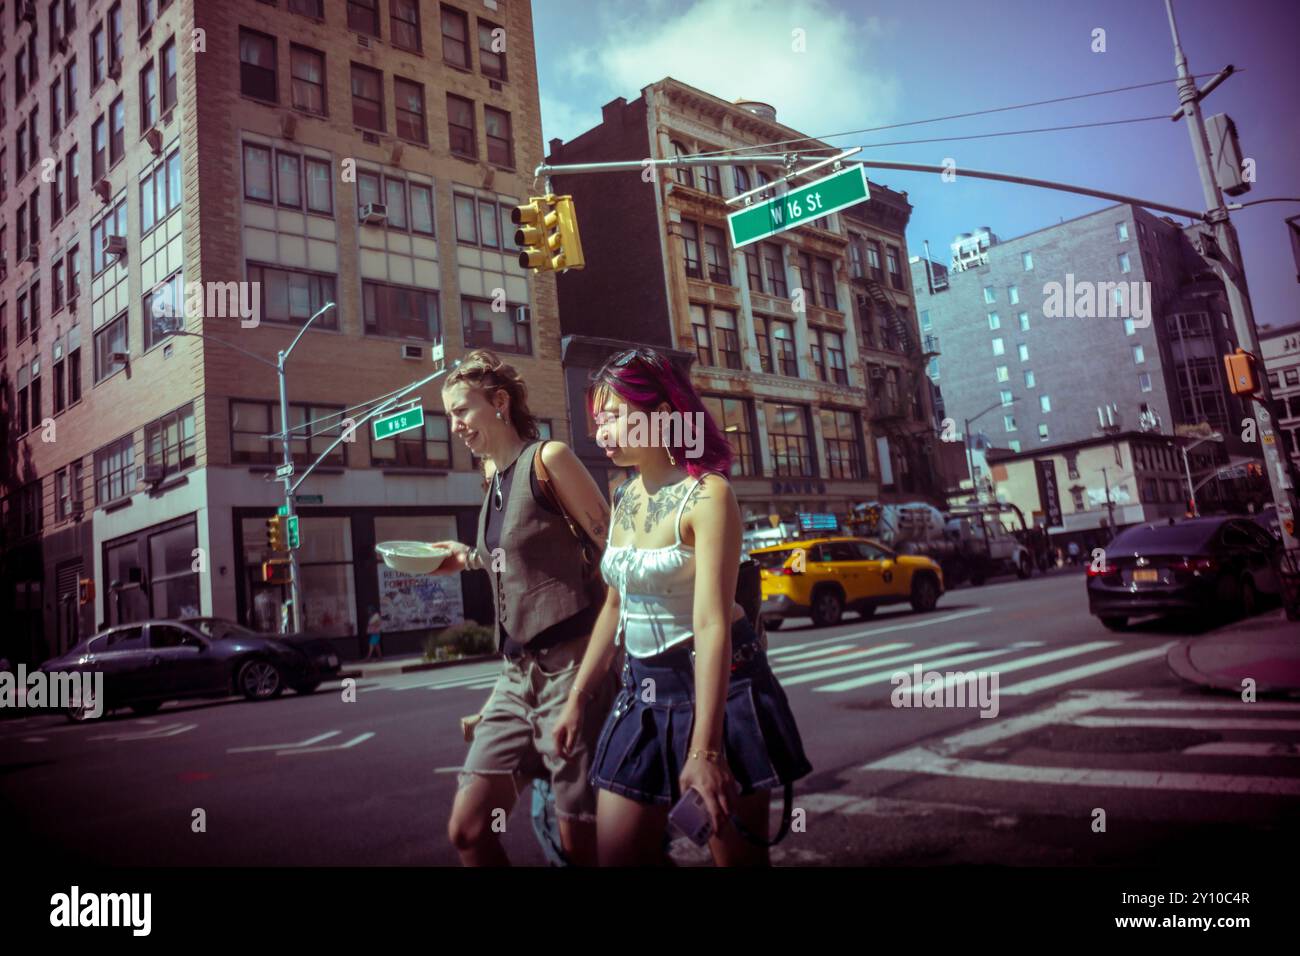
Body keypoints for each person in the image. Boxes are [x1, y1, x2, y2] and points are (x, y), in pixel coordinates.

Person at [554, 348, 812, 867]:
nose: (603, 432)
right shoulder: (624, 497)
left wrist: (706, 749)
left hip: (721, 689)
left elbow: (713, 621)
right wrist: (577, 698)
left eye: (616, 417)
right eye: (598, 420)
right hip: (641, 695)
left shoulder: (708, 495)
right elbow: (613, 606)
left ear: (664, 414)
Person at [427, 349, 615, 867]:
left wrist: (595, 676)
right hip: (515, 677)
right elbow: (520, 560)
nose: (456, 426)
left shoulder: (547, 459)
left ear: (500, 402)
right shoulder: (493, 479)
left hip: (570, 667)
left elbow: (615, 556)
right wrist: (465, 558)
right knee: (468, 829)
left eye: (463, 411)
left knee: (580, 844)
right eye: (450, 417)